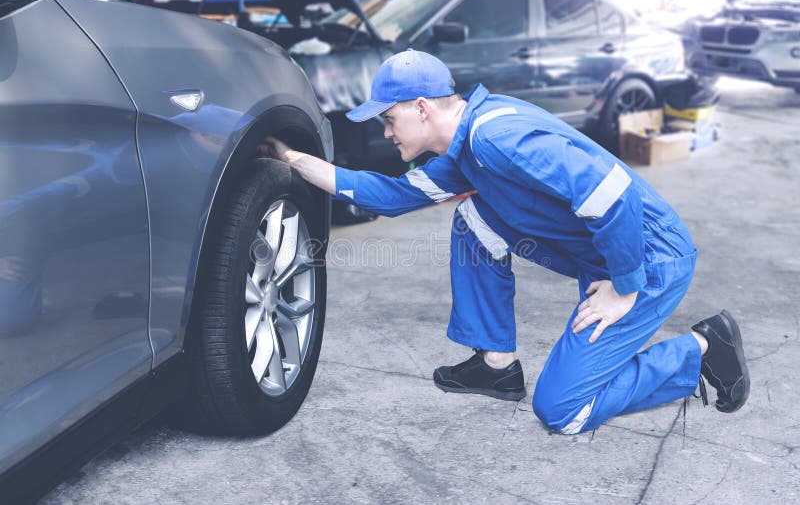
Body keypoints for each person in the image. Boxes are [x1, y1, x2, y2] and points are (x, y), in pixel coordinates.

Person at [259, 50, 749, 434]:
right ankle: (497, 365)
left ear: (422, 108)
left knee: (564, 410)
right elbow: (387, 196)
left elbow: (613, 192)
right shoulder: (463, 150)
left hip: (648, 262)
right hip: (602, 257)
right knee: (474, 218)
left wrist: (624, 287)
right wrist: (293, 158)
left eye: (388, 120)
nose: (386, 133)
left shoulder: (497, 137)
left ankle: (705, 349)